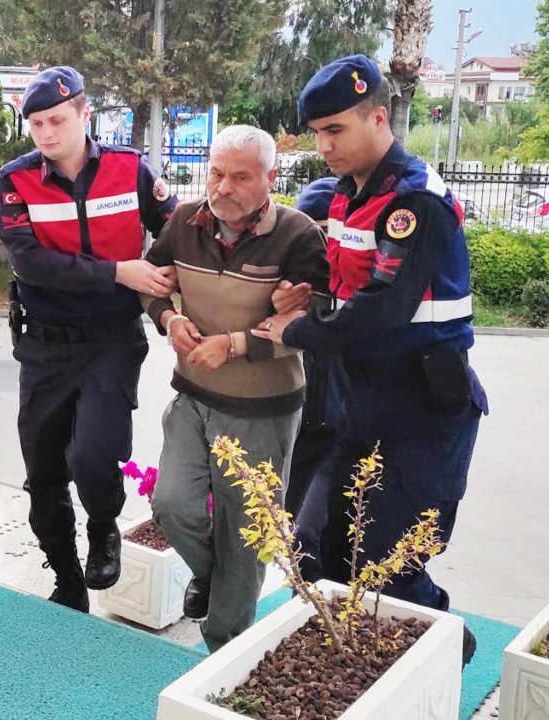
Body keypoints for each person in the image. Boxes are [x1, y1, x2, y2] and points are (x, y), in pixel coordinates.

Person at [252, 55, 488, 665]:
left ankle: (444, 645)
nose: (323, 145)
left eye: (336, 130)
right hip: (359, 404)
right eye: (317, 132)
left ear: (378, 118)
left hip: (422, 411)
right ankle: (362, 662)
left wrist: (299, 329)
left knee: (385, 562)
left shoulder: (415, 203)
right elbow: (348, 287)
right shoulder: (347, 197)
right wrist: (304, 297)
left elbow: (383, 309)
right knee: (316, 549)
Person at [0, 66, 178, 613]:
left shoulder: (131, 170)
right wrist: (120, 271)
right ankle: (66, 577)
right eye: (36, 123)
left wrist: (170, 287)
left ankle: (103, 527)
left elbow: (176, 232)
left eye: (56, 120)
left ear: (83, 114)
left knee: (95, 453)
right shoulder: (14, 181)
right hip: (45, 344)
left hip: (111, 340)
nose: (46, 133)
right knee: (43, 469)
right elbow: (32, 264)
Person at [140, 125, 329, 652]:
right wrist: (170, 322)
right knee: (172, 503)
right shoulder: (182, 222)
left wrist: (236, 344)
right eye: (216, 173)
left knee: (247, 536)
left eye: (240, 177)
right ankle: (213, 578)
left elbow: (313, 327)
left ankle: (223, 656)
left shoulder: (298, 235)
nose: (222, 186)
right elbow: (154, 287)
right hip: (194, 396)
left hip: (263, 410)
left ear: (271, 178)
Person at [273, 177, 343, 583]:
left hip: (348, 436)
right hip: (300, 434)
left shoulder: (364, 294)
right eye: (313, 232)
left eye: (332, 232)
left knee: (310, 540)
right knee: (294, 546)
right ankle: (325, 628)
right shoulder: (288, 283)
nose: (324, 246)